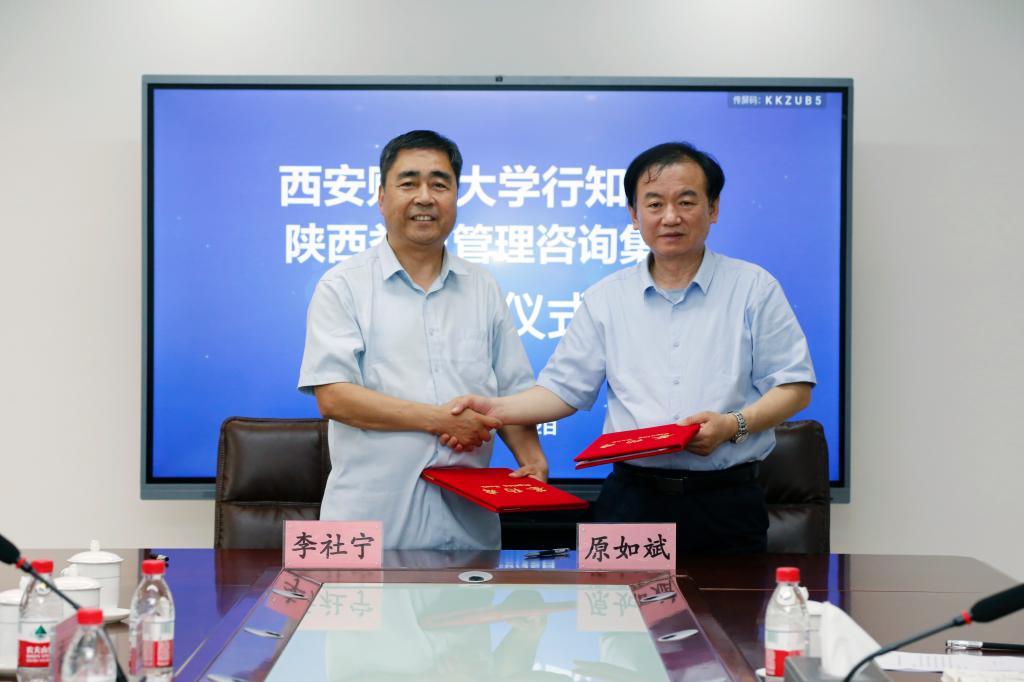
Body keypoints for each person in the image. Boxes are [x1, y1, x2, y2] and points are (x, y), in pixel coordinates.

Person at [446, 142, 815, 553]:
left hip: (726, 501)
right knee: (621, 599)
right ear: (635, 216)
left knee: (728, 598)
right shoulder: (607, 297)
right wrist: (494, 410)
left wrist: (733, 425)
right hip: (632, 501)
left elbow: (794, 386)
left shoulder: (753, 288)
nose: (670, 217)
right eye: (654, 204)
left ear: (712, 209)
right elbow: (562, 391)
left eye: (686, 202)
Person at [298, 130, 547, 550]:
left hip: (467, 528)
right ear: (382, 197)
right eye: (409, 183)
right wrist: (439, 420)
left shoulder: (482, 287)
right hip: (369, 527)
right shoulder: (343, 285)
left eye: (439, 184)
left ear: (456, 197)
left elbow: (513, 394)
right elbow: (334, 398)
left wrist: (533, 460)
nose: (425, 197)